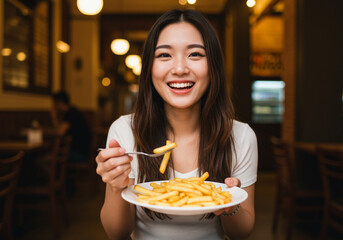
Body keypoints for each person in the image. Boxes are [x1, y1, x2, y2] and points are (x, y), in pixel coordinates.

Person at [95, 9, 258, 240]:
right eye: (164, 55)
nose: (180, 69)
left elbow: (241, 232)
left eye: (195, 54)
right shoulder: (124, 131)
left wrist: (231, 205)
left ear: (213, 67)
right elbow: (117, 232)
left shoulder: (241, 136)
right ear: (149, 68)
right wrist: (115, 186)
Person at [51, 91, 91, 163]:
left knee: (44, 160)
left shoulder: (70, 114)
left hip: (79, 153)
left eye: (54, 103)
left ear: (60, 102)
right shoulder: (73, 111)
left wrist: (54, 118)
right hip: (83, 151)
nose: (53, 106)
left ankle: (55, 174)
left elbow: (59, 132)